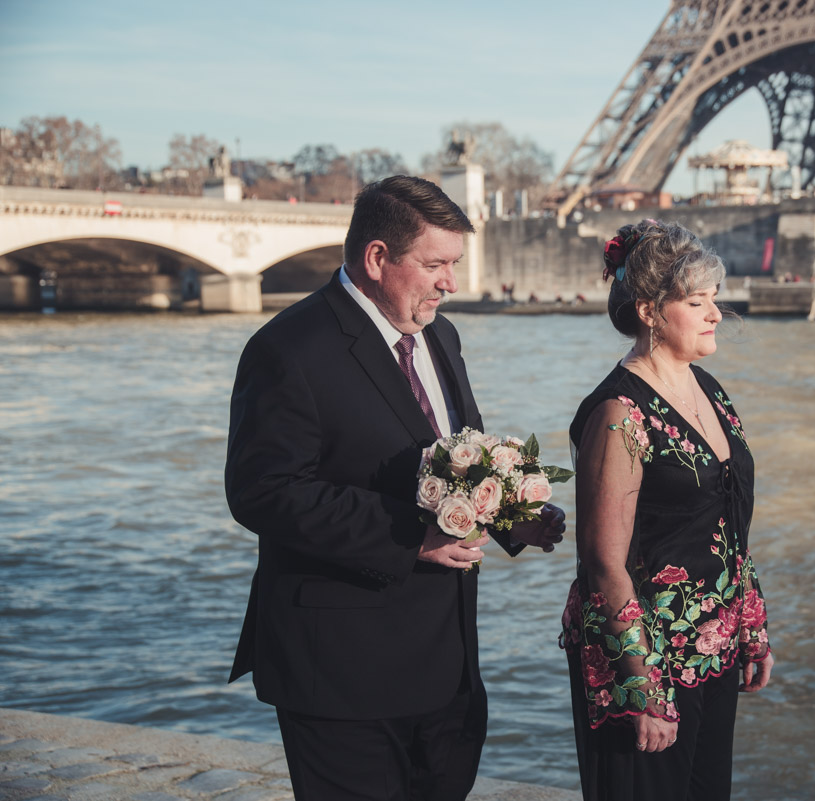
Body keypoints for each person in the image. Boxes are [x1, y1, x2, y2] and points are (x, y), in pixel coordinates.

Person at [225, 175, 564, 801]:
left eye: (454, 264)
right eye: (436, 264)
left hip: (447, 665)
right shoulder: (287, 348)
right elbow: (262, 490)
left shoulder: (441, 335)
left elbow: (459, 461)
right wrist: (413, 537)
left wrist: (513, 514)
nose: (451, 283)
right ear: (378, 258)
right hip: (341, 671)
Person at [560, 220, 773, 800]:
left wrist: (750, 626)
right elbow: (604, 562)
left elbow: (727, 524)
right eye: (695, 301)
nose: (715, 314)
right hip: (644, 656)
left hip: (714, 645)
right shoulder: (618, 413)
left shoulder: (708, 387)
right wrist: (642, 685)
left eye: (714, 300)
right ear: (650, 310)